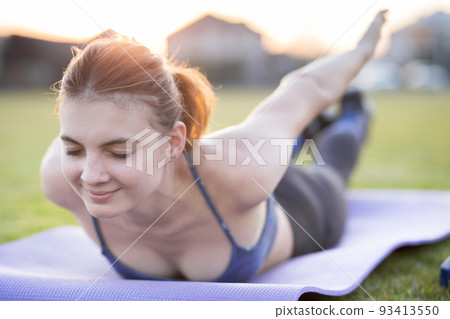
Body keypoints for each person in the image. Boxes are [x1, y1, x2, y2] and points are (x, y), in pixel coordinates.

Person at [40, 10, 388, 282]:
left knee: (329, 166)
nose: (91, 175)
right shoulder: (59, 181)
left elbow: (304, 88)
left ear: (174, 141)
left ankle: (353, 115)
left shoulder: (238, 167)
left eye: (118, 152)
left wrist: (362, 50)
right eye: (74, 149)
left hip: (292, 206)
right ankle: (304, 131)